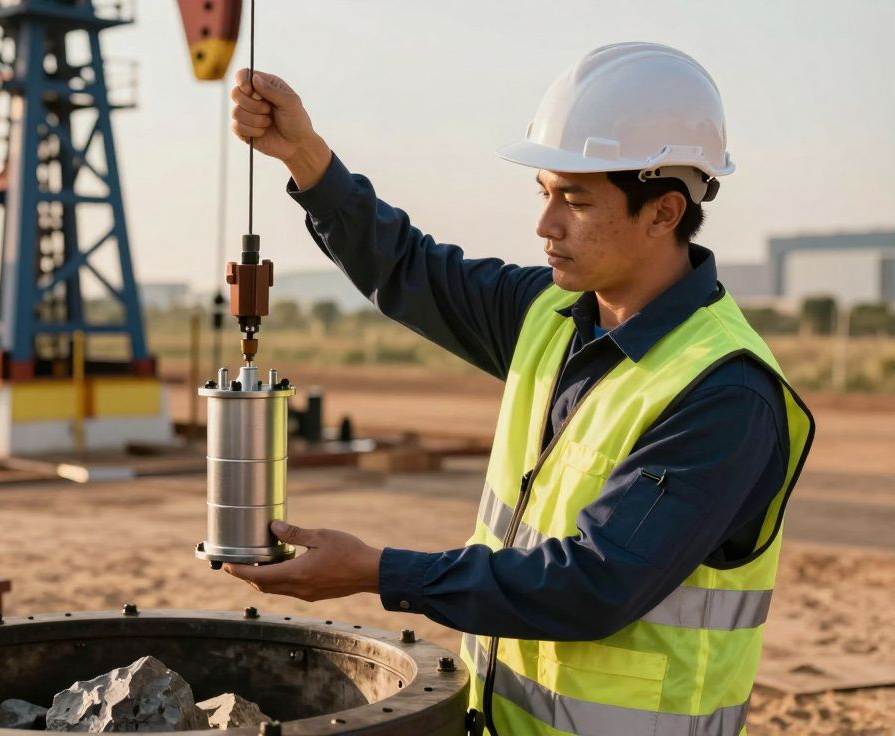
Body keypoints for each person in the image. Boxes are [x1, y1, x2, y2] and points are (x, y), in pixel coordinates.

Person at [222, 43, 815, 736]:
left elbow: (593, 584)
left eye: (575, 200)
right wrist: (307, 159)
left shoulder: (724, 394)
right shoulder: (551, 314)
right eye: (544, 194)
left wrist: (379, 571)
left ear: (664, 211)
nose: (545, 226)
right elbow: (409, 268)